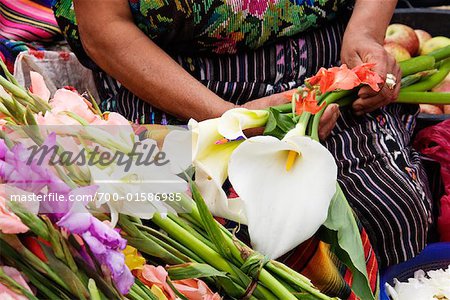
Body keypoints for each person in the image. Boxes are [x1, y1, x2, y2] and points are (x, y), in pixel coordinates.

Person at [52, 0, 433, 296]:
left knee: (387, 219)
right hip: (180, 102)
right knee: (220, 263)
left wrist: (365, 32)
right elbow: (103, 26)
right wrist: (231, 121)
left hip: (329, 82)